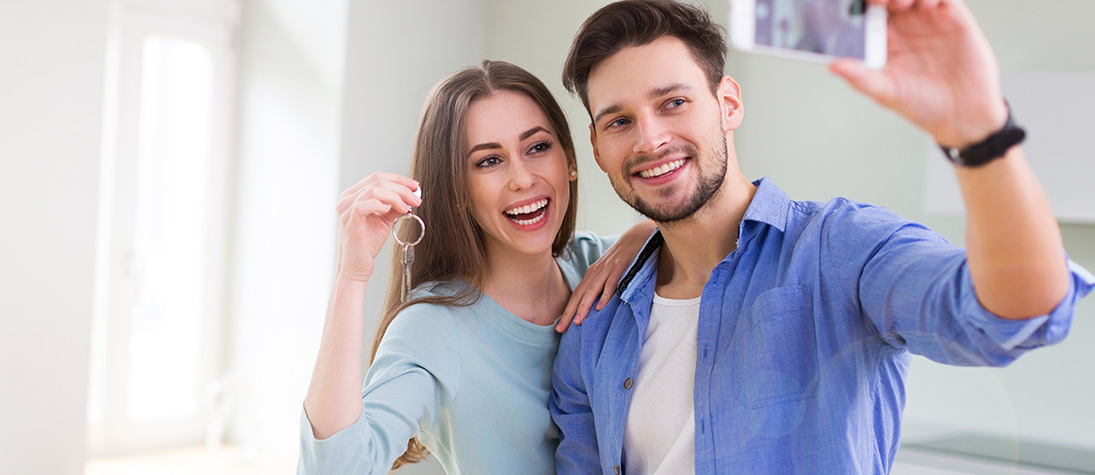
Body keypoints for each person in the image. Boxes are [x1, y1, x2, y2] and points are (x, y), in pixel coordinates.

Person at [550, 0, 1095, 473]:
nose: (650, 139)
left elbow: (1014, 313)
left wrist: (979, 131)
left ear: (728, 103)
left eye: (673, 102)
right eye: (619, 121)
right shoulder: (594, 325)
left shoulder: (840, 250)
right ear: (597, 148)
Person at [298, 60, 654, 474]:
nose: (522, 178)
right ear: (457, 190)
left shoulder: (603, 264)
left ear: (570, 161)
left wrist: (646, 231)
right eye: (488, 161)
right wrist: (352, 277)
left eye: (537, 147)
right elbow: (336, 468)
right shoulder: (434, 328)